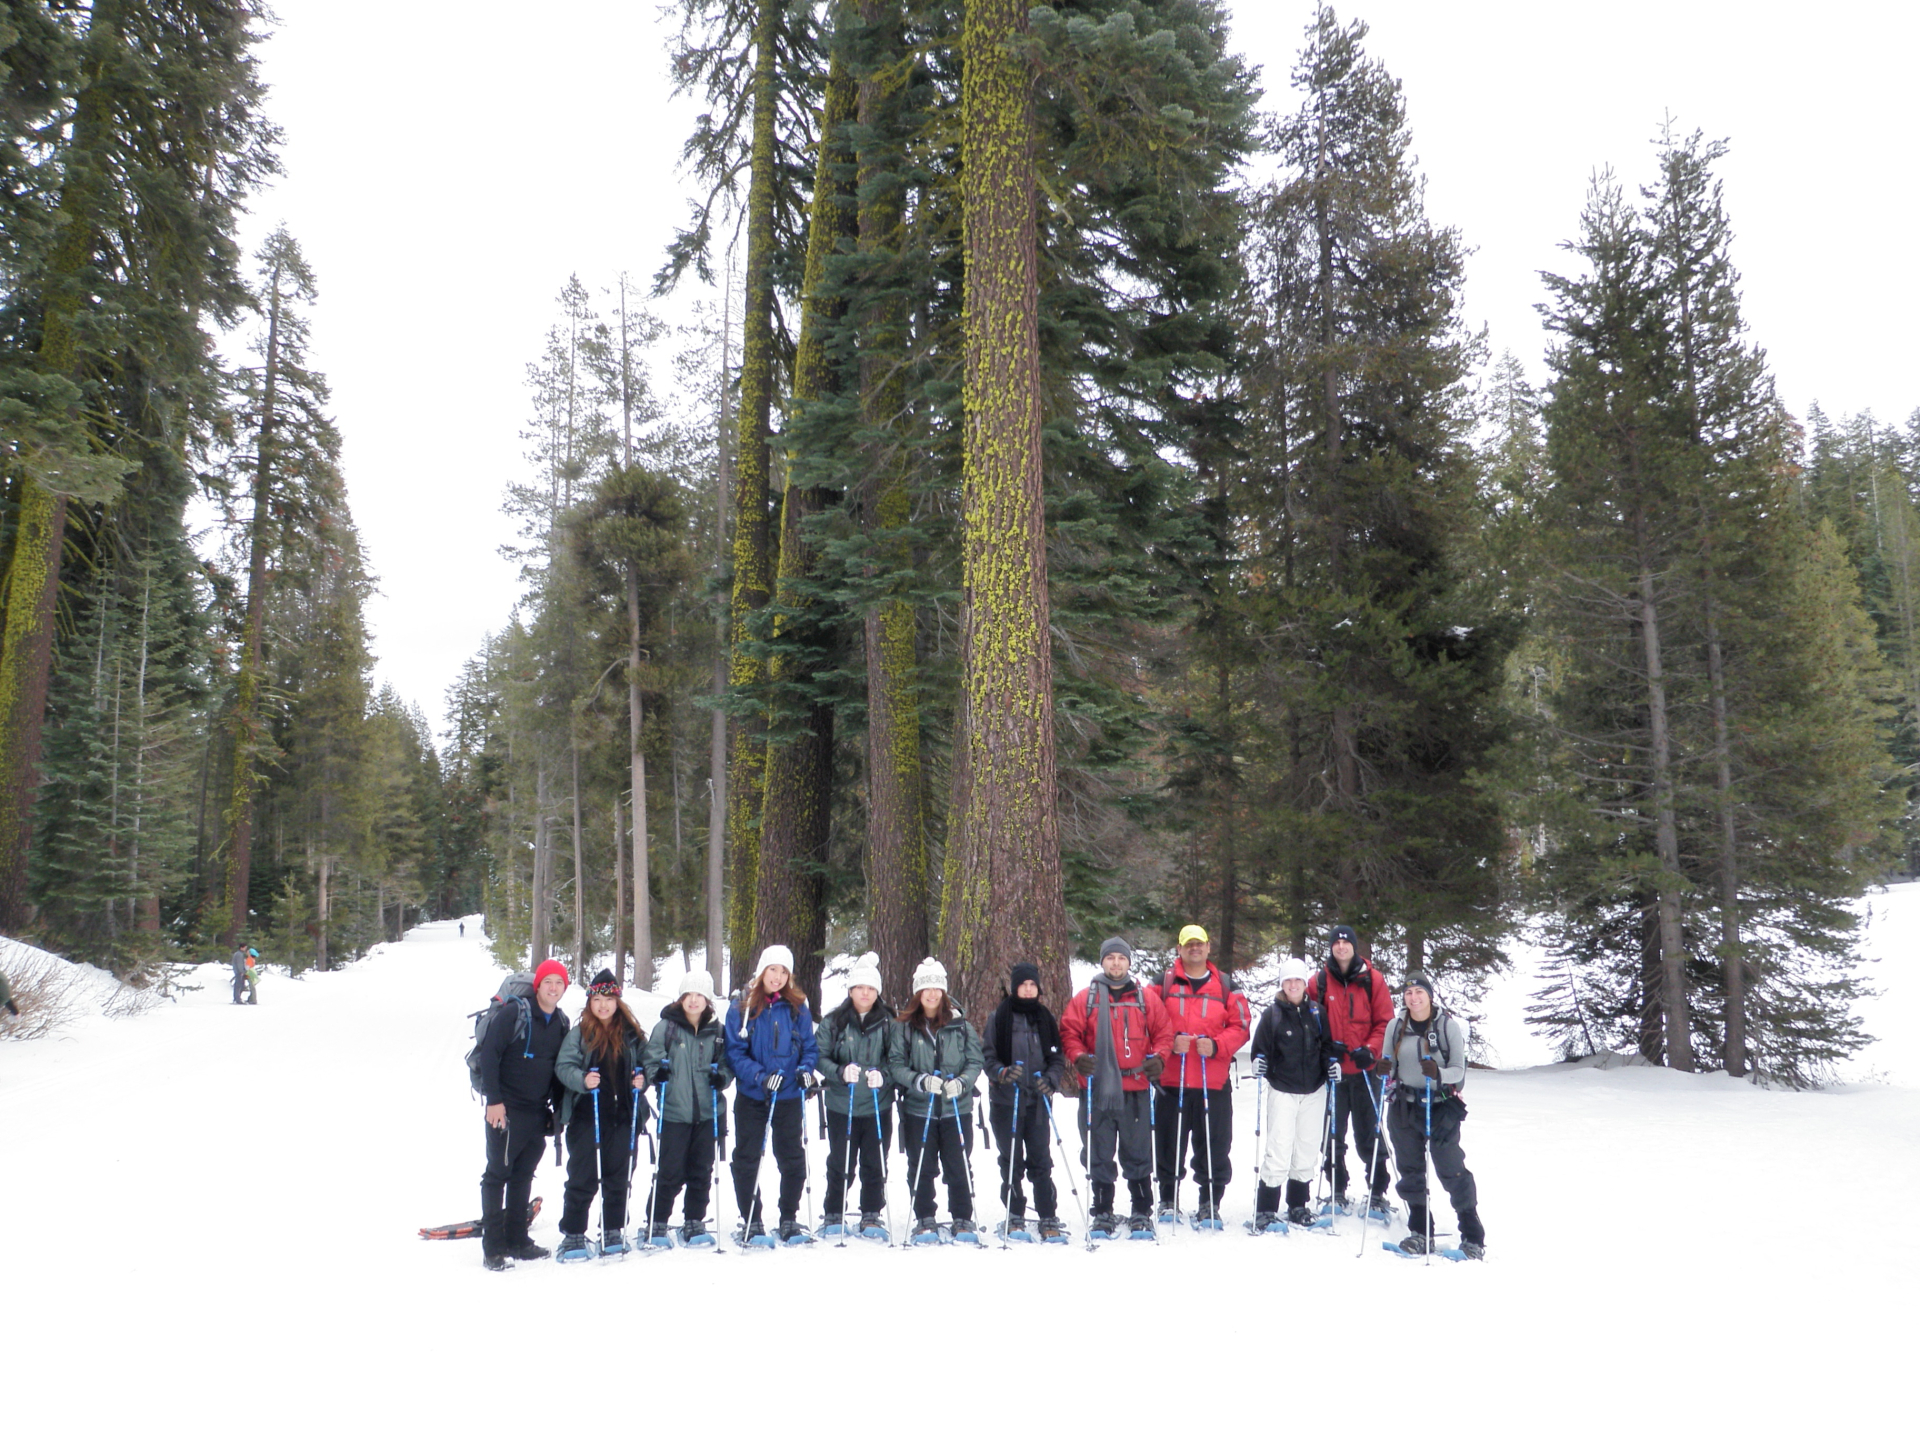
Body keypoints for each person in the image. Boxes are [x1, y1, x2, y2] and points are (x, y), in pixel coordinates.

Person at [1060, 937, 1172, 1239]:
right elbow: (1069, 1032)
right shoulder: (1087, 998)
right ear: (1102, 962)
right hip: (1098, 1088)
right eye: (1110, 958)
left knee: (1137, 1151)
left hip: (1135, 1085)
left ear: (1129, 962)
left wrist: (1159, 1059)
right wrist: (1078, 1056)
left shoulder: (1145, 998)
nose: (1116, 963)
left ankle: (1140, 1210)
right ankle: (1103, 1211)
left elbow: (1164, 1032)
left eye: (1121, 958)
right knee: (1099, 1150)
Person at [1375, 972, 1484, 1258]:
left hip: (1440, 1105)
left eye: (1419, 992)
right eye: (1409, 993)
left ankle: (1472, 1235)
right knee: (1410, 1170)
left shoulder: (1447, 1026)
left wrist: (1439, 1074)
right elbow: (1388, 1062)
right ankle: (1421, 1232)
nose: (1414, 998)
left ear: (1430, 995)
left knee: (1450, 1168)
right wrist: (1383, 1070)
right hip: (1405, 1106)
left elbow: (1459, 1072)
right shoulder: (1395, 1026)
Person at [1152, 924, 1251, 1226]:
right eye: (1188, 944)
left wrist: (1219, 1045)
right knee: (1169, 1143)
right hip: (1172, 1081)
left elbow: (1242, 1026)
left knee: (1216, 1144)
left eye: (1200, 944)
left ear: (1208, 948)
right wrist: (1170, 1044)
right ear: (1179, 950)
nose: (1194, 948)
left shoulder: (1225, 986)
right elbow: (1147, 1022)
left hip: (1213, 1081)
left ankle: (1210, 1202)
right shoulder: (1162, 984)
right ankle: (1168, 1199)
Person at [478, 958, 572, 1270]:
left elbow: (559, 1070)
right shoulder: (514, 1013)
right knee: (497, 1175)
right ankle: (493, 1247)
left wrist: (557, 1113)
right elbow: (490, 1053)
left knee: (522, 1176)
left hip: (536, 1111)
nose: (554, 988)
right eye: (548, 982)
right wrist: (494, 1101)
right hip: (506, 1109)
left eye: (559, 983)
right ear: (538, 985)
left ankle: (518, 1239)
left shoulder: (560, 1022)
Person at [724, 944, 820, 1244]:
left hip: (789, 1095)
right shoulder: (741, 1007)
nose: (777, 977)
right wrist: (760, 1077)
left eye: (783, 971)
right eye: (773, 969)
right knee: (747, 1158)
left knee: (791, 1158)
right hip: (754, 1095)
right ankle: (751, 1220)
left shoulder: (797, 1007)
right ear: (762, 971)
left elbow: (809, 1047)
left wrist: (806, 1069)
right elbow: (735, 1053)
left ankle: (789, 1217)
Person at [887, 958, 985, 1244]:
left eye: (937, 989)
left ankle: (962, 1217)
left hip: (956, 1107)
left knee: (958, 1163)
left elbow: (974, 1059)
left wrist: (963, 1082)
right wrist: (919, 1080)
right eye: (926, 989)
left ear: (943, 992)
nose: (932, 994)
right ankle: (925, 1217)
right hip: (920, 1107)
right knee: (922, 1165)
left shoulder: (960, 1025)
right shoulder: (905, 1027)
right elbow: (895, 1065)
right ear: (918, 993)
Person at [553, 968, 648, 1260]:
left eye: (608, 998)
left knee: (619, 1176)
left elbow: (649, 1064)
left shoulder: (632, 1035)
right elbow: (563, 1067)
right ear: (589, 1003)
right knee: (582, 1174)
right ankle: (573, 1234)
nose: (603, 1005)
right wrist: (582, 1080)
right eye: (597, 999)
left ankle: (612, 1229)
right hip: (587, 1116)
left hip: (623, 1116)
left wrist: (643, 1080)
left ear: (618, 1001)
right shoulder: (579, 1034)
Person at [641, 966, 733, 1247]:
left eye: (700, 995)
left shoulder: (717, 1032)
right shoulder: (666, 1028)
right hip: (674, 1112)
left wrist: (723, 1078)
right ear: (680, 998)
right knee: (669, 1170)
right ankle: (657, 1221)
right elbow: (651, 1058)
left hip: (708, 1113)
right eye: (688, 995)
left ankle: (694, 1219)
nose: (693, 1000)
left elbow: (728, 1064)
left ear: (708, 1000)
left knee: (701, 1169)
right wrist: (657, 1073)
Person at [1309, 924, 1394, 1215]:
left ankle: (1378, 1190)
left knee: (1368, 1133)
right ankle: (1337, 1189)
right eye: (1336, 943)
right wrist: (1324, 1046)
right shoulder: (1319, 981)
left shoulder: (1373, 980)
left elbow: (1385, 1022)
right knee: (1332, 1133)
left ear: (1354, 947)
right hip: (1333, 1072)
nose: (1341, 947)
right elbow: (1309, 1021)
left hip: (1365, 1070)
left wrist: (1370, 1049)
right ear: (1331, 947)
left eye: (1346, 943)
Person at [1247, 956, 1337, 1232]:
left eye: (1298, 979)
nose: (1293, 984)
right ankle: (1265, 1209)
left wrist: (1331, 1065)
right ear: (1282, 984)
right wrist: (1257, 1063)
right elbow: (1259, 1049)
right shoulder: (1272, 1015)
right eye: (1288, 980)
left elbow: (1327, 1047)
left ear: (1304, 983)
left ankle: (1298, 1205)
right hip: (1282, 1089)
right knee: (1279, 1147)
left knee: (1307, 1148)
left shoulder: (1317, 1014)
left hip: (1314, 1089)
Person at [982, 960, 1069, 1241]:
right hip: (1006, 1100)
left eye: (1033, 985)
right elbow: (988, 1057)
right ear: (1014, 987)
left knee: (1041, 1160)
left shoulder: (1044, 1018)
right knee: (1011, 1160)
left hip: (1038, 1101)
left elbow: (1056, 1057)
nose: (1029, 990)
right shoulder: (999, 1017)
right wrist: (1002, 1073)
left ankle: (1047, 1214)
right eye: (1023, 985)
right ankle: (1015, 1214)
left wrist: (1051, 1080)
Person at [813, 953, 895, 1240]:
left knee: (875, 1161)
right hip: (841, 1104)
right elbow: (819, 1056)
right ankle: (834, 1212)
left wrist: (884, 1075)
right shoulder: (834, 1021)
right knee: (840, 1161)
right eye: (860, 987)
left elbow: (898, 1059)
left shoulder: (888, 1022)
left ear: (877, 992)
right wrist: (838, 1072)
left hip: (877, 1105)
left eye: (871, 988)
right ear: (850, 991)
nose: (865, 993)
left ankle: (871, 1213)